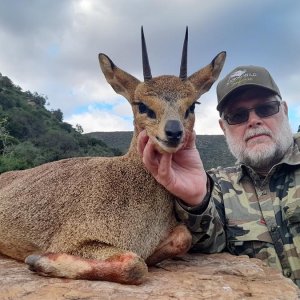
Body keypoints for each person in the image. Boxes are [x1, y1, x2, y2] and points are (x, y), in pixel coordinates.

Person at [138, 65, 300, 287]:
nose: (253, 120)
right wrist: (196, 200)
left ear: (285, 110)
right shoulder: (219, 188)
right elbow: (210, 246)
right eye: (237, 115)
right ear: (224, 127)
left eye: (265, 108)